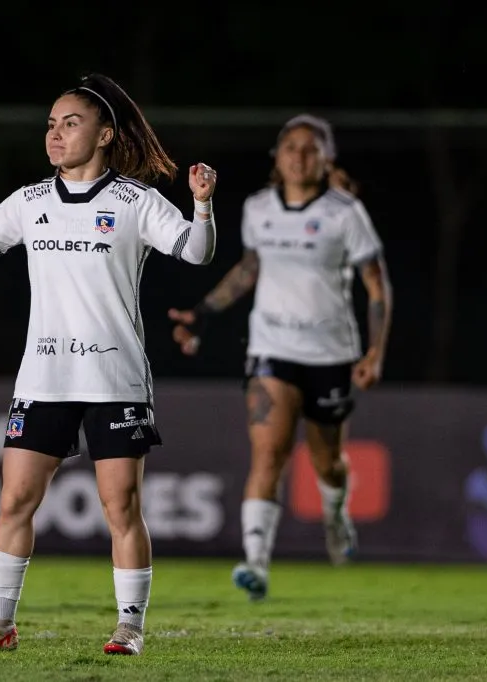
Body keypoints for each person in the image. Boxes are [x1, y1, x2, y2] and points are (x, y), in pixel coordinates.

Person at [0, 73, 218, 655]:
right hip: (45, 375)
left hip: (113, 376)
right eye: (50, 124)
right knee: (13, 501)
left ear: (105, 135)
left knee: (120, 506)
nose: (55, 134)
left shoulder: (134, 201)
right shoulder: (30, 202)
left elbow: (196, 252)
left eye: (70, 123)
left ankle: (129, 627)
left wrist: (201, 206)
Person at [168, 114, 392, 601]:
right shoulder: (258, 208)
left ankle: (336, 517)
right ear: (278, 157)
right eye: (290, 147)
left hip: (331, 355)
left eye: (310, 148)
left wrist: (374, 353)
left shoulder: (344, 212)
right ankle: (255, 562)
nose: (298, 155)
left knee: (328, 462)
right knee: (268, 454)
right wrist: (202, 313)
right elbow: (250, 269)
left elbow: (377, 286)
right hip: (272, 350)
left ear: (325, 158)